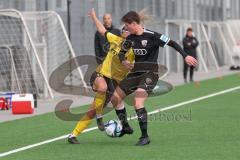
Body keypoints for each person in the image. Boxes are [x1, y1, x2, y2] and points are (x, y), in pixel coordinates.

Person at [110, 11, 198, 146]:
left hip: (150, 74)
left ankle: (144, 137)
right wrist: (124, 61)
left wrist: (185, 55)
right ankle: (125, 127)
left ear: (134, 23)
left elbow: (173, 43)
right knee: (115, 98)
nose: (126, 28)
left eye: (127, 25)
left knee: (138, 102)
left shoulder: (152, 36)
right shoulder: (130, 38)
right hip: (135, 73)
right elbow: (122, 53)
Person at [67, 9, 135, 144]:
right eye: (124, 30)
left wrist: (131, 66)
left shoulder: (133, 51)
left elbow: (137, 64)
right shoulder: (115, 40)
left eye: (128, 31)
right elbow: (101, 30)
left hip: (114, 82)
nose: (125, 32)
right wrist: (93, 17)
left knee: (93, 109)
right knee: (102, 88)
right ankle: (99, 117)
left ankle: (73, 135)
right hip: (100, 74)